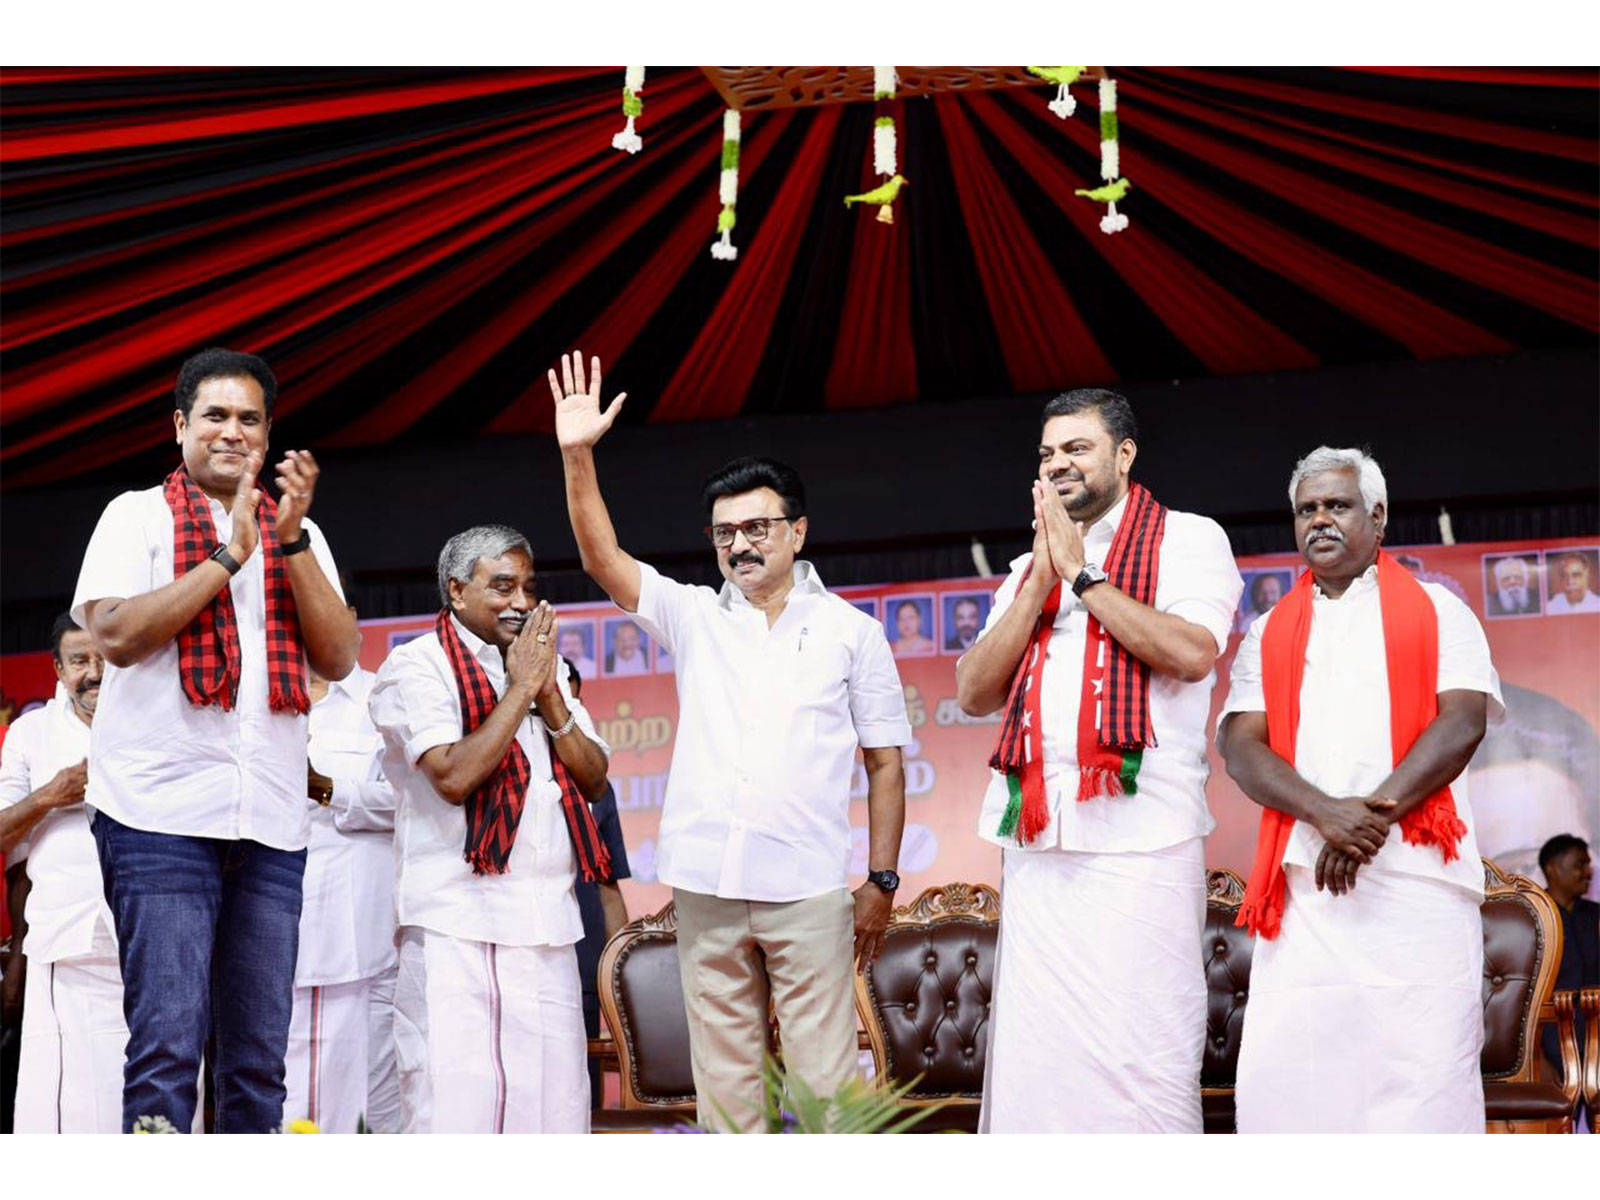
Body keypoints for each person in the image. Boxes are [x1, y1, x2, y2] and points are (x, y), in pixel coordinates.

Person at [550, 351, 910, 1132]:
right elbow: (601, 559)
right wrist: (579, 456)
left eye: (757, 527)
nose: (740, 544)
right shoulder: (693, 615)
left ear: (798, 531)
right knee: (726, 1091)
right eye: (724, 533)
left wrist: (880, 878)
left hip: (809, 888)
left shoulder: (852, 633)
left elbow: (884, 762)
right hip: (705, 886)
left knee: (823, 1092)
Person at [72, 347, 355, 1134]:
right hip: (157, 817)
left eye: (250, 419)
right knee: (165, 1049)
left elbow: (337, 656)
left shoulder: (301, 532)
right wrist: (231, 554)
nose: (232, 432)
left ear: (268, 435)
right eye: (216, 416)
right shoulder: (135, 516)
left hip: (268, 822)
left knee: (259, 1061)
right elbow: (117, 634)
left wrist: (287, 543)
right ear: (180, 427)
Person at [956, 387, 1243, 1134]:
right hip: (1040, 840)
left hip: (1141, 837)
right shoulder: (1026, 565)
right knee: (1037, 1060)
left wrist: (1086, 576)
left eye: (1077, 448)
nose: (1058, 464)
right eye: (1047, 453)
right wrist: (1043, 582)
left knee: (1140, 1049)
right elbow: (974, 691)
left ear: (1124, 454)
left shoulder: (1187, 539)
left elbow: (1191, 652)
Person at [1221, 446, 1500, 1134]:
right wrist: (1326, 815)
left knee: (1422, 1083)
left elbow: (1462, 721)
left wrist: (1364, 823)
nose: (1319, 520)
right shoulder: (1267, 632)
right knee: (1289, 1084)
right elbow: (1239, 747)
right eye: (1306, 509)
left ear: (1377, 516)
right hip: (1308, 895)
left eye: (1337, 505)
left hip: (1417, 884)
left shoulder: (1440, 610)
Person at [369, 525, 613, 1134]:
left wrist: (549, 696)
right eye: (502, 585)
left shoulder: (538, 669)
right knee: (457, 1109)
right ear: (456, 591)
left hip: (547, 926)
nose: (521, 602)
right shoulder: (416, 666)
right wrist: (521, 687)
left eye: (528, 587)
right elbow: (452, 776)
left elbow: (595, 779)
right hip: (457, 923)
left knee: (555, 1113)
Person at [282, 605, 400, 1135]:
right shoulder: (258, 704)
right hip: (274, 929)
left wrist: (323, 787)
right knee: (281, 1093)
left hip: (366, 935)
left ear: (349, 618)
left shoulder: (385, 698)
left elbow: (415, 799)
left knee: (376, 1098)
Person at [0, 616, 121, 1132]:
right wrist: (54, 794)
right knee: (61, 1107)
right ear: (57, 669)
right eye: (79, 662)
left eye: (103, 659)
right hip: (62, 942)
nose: (92, 673)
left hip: (149, 942)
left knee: (144, 1092)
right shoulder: (33, 732)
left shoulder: (153, 721)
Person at [561, 657, 633, 1109]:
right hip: (523, 943)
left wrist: (621, 964)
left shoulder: (598, 788)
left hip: (584, 949)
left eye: (568, 698)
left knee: (582, 1085)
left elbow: (609, 883)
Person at [1538, 835, 1597, 1089]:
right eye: (1579, 864)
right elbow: (1522, 1000)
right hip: (1551, 1045)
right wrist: (1536, 1057)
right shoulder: (1533, 915)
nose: (1588, 872)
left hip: (1596, 1040)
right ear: (1552, 867)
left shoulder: (1596, 916)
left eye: (1588, 865)